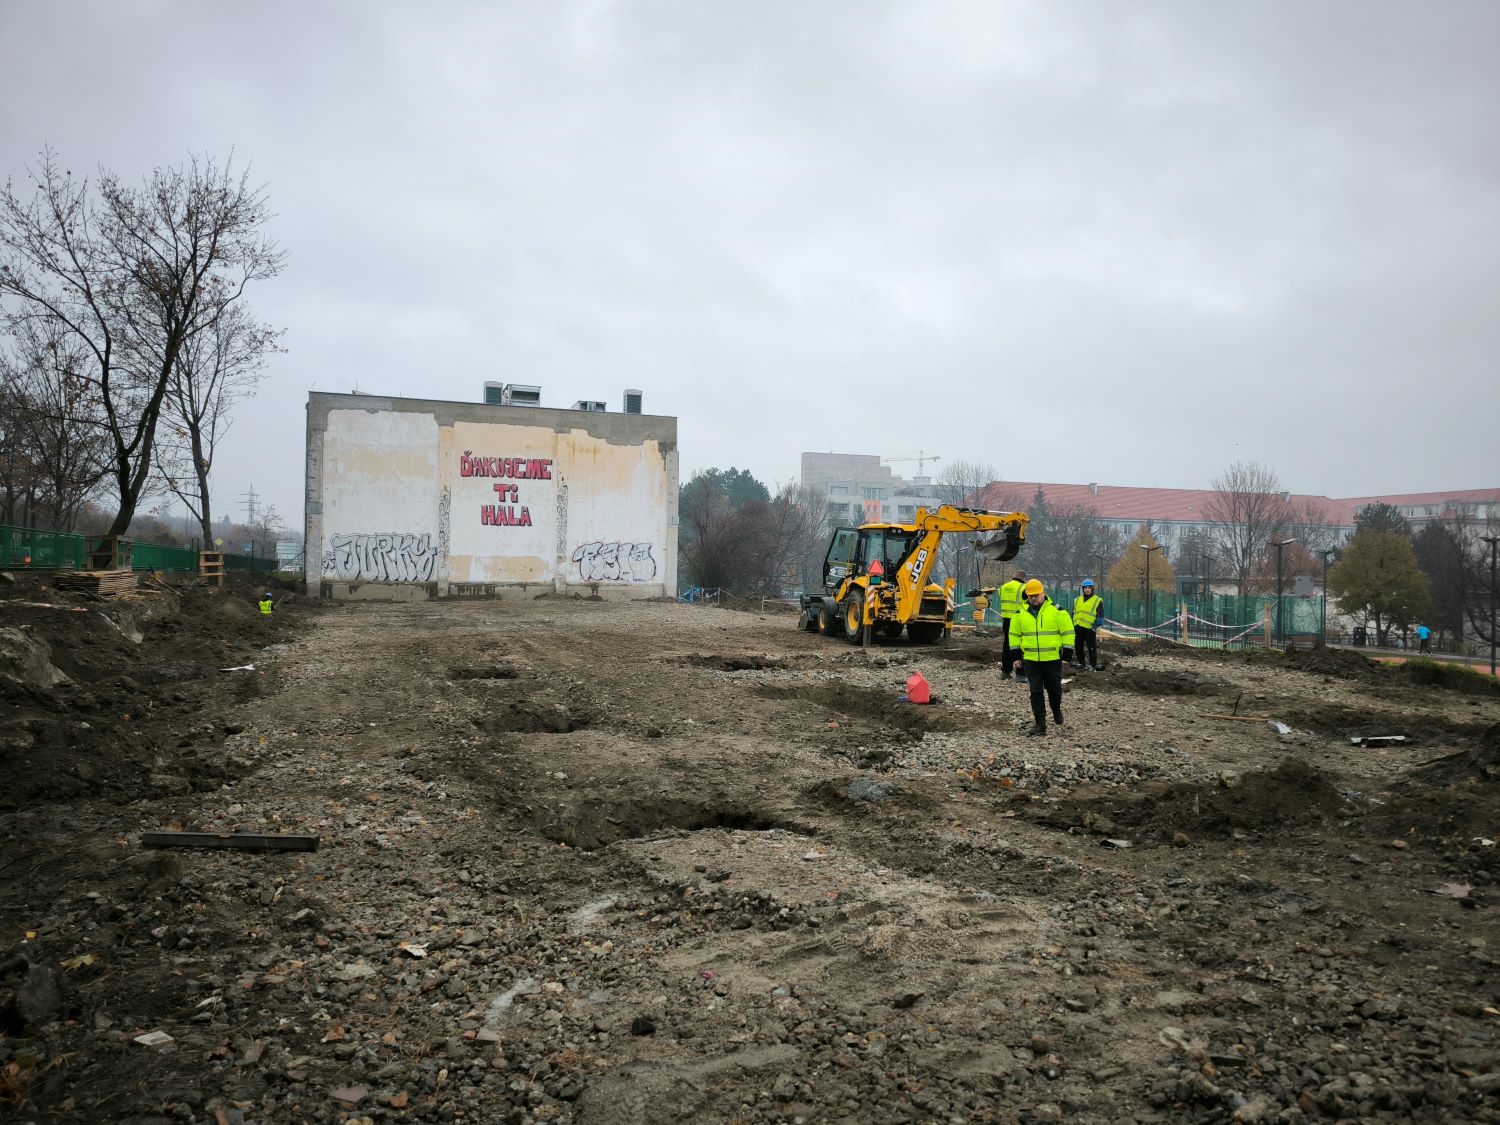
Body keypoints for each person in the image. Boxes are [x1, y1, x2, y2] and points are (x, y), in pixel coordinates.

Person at [1010, 578, 1075, 736]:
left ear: (1043, 593)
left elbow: (1068, 632)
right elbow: (1014, 635)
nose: (1033, 598)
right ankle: (1040, 724)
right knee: (1036, 691)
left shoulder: (1057, 611)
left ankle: (1056, 709)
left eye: (1036, 595)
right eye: (1030, 596)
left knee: (1054, 691)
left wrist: (1066, 654)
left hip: (1052, 660)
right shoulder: (1019, 614)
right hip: (1031, 660)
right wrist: (1016, 656)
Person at [997, 569, 1027, 682]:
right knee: (1020, 646)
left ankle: (1005, 672)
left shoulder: (1003, 587)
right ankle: (1020, 674)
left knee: (1007, 646)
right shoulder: (1023, 588)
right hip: (1019, 621)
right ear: (1023, 578)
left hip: (1006, 620)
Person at [1072, 579, 1103, 670]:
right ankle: (1081, 663)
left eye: (1089, 587)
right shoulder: (1077, 600)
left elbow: (1100, 616)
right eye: (1085, 587)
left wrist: (1094, 627)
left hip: (1089, 629)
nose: (1087, 589)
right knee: (1078, 647)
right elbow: (1073, 613)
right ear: (1083, 589)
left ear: (1092, 589)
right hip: (1078, 627)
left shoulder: (1097, 600)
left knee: (1091, 648)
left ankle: (1093, 665)